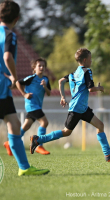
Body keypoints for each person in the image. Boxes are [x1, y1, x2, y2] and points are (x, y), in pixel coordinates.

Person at [30, 48, 110, 162]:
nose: (91, 61)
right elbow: (90, 89)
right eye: (90, 59)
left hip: (81, 108)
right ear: (85, 60)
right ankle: (38, 140)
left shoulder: (73, 74)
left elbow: (60, 81)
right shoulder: (87, 71)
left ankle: (108, 154)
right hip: (77, 108)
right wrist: (99, 88)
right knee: (66, 132)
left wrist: (63, 96)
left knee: (100, 125)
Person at [0, 0, 49, 176]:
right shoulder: (9, 35)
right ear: (17, 18)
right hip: (1, 88)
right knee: (14, 126)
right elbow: (7, 57)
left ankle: (25, 168)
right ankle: (24, 167)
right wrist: (13, 76)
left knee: (15, 124)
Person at [4, 58, 51, 155]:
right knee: (44, 122)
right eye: (39, 66)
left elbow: (49, 93)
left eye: (43, 66)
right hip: (32, 105)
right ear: (34, 68)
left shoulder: (45, 79)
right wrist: (24, 94)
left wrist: (45, 86)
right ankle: (39, 145)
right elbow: (17, 83)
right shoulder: (31, 78)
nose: (42, 67)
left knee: (26, 126)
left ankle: (9, 143)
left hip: (37, 106)